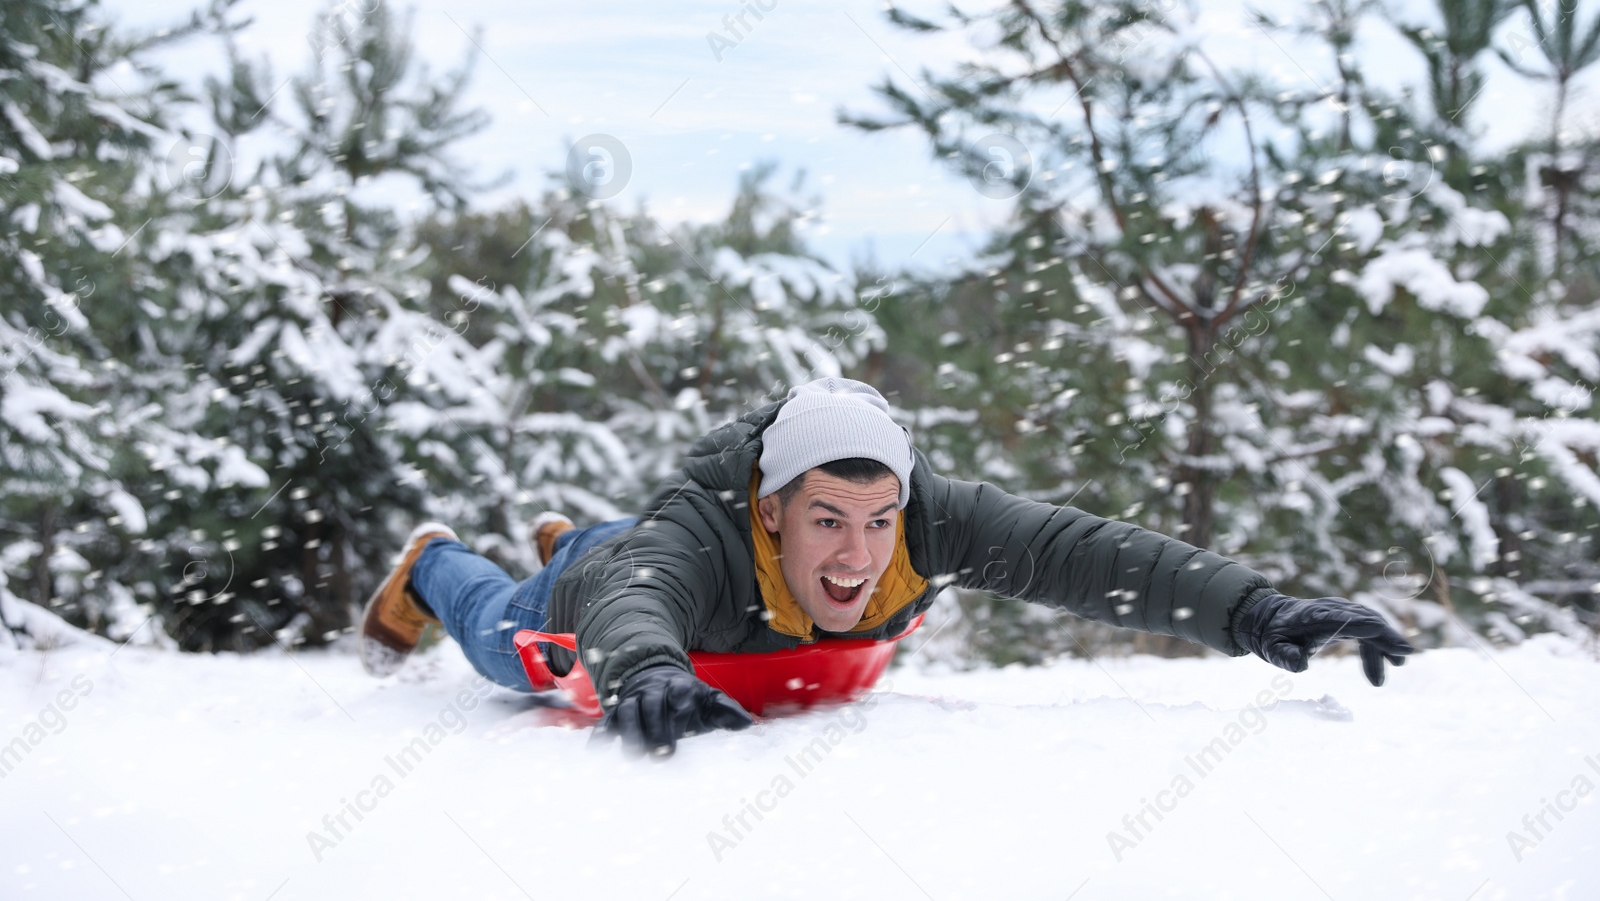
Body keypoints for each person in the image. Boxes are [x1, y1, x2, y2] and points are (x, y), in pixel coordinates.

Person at [359, 377, 1413, 756]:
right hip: (605, 592)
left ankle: (565, 543)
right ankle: (434, 562)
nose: (859, 554)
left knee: (608, 563)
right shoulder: (695, 540)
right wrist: (644, 672)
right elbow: (642, 597)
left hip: (641, 578)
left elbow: (1082, 553)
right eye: (826, 519)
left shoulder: (926, 520)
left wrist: (1256, 611)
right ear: (771, 511)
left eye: (878, 518)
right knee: (501, 646)